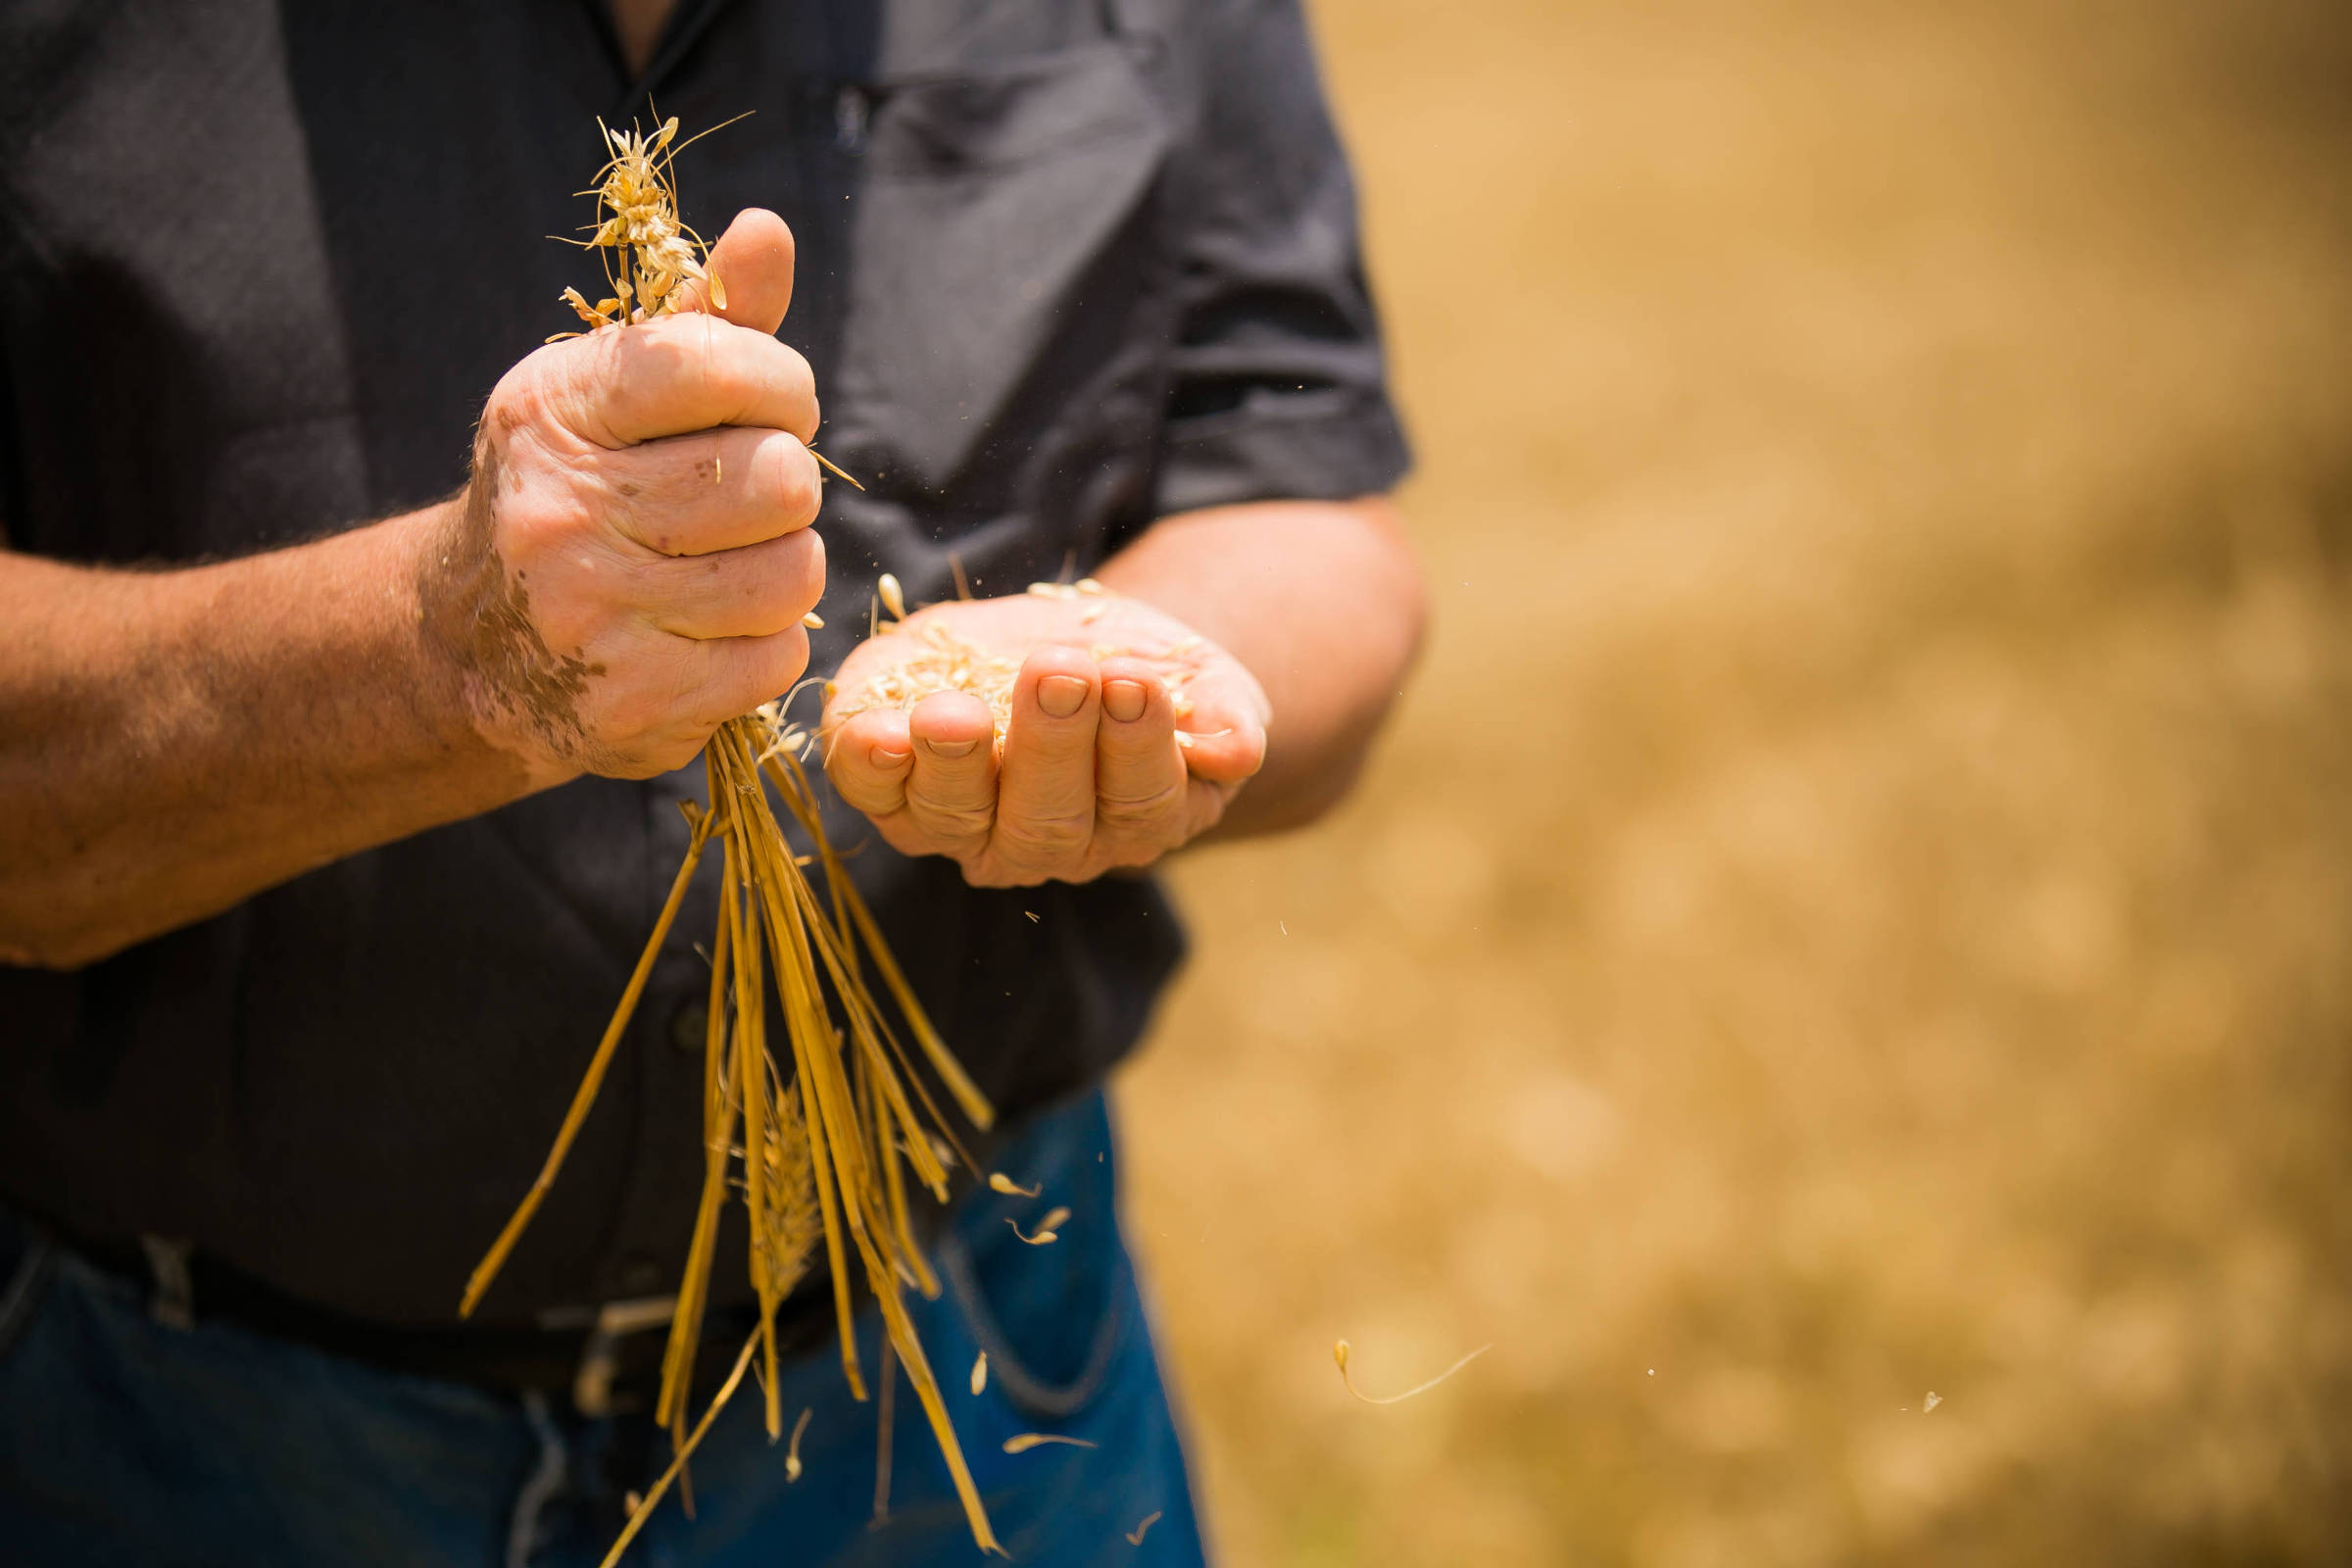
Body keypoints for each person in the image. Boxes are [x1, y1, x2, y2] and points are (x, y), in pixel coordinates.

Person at [0, 1, 1424, 1562]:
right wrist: (440, 655)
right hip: (173, 1438)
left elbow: (1302, 497)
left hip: (975, 1380)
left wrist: (1156, 661)